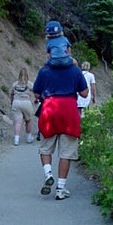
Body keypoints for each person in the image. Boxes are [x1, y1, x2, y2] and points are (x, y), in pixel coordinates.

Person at [33, 61, 88, 200]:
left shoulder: (44, 70)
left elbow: (37, 94)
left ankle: (48, 173)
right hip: (69, 111)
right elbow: (85, 93)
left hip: (49, 110)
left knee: (46, 148)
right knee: (66, 152)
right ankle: (60, 189)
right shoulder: (75, 70)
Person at [10, 68, 35, 146]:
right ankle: (29, 138)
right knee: (28, 120)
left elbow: (11, 94)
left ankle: (16, 139)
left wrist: (11, 102)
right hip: (26, 102)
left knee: (18, 122)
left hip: (16, 102)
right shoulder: (29, 84)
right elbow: (35, 92)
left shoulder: (15, 84)